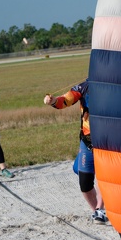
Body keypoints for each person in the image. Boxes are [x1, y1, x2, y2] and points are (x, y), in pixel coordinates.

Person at [44, 79, 108, 223]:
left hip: (106, 143)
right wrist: (53, 101)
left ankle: (100, 209)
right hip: (87, 141)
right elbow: (65, 100)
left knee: (103, 178)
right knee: (84, 183)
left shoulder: (113, 87)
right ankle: (96, 211)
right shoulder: (84, 87)